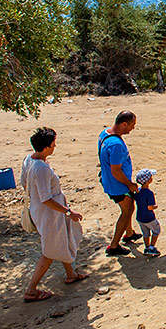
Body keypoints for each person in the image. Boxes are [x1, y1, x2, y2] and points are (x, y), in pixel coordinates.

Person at [21, 127, 87, 303]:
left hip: (42, 211)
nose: (54, 146)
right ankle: (31, 290)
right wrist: (68, 212)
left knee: (61, 239)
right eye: (53, 144)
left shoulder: (29, 159)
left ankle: (71, 274)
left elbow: (24, 183)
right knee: (49, 250)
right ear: (46, 147)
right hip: (49, 214)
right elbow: (46, 198)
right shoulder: (41, 168)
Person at [98, 110, 141, 256]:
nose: (133, 128)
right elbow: (116, 171)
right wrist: (129, 184)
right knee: (127, 211)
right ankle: (114, 245)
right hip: (117, 185)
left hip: (111, 181)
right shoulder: (116, 145)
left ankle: (129, 233)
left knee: (129, 206)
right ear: (124, 124)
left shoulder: (105, 134)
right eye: (132, 125)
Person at [133, 169, 161, 256]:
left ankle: (147, 247)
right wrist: (155, 206)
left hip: (140, 217)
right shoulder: (149, 193)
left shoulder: (137, 191)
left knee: (146, 233)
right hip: (149, 217)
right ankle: (152, 247)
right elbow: (150, 207)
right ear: (148, 181)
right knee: (156, 231)